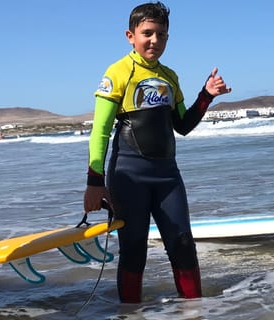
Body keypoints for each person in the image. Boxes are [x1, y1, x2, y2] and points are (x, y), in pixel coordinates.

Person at [82, 1, 231, 303]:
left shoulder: (169, 76)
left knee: (183, 245)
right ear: (130, 35)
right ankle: (130, 313)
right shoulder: (118, 72)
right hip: (128, 177)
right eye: (147, 33)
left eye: (161, 35)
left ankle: (194, 311)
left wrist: (206, 95)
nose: (154, 40)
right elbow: (100, 131)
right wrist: (95, 181)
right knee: (134, 251)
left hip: (167, 177)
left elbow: (183, 126)